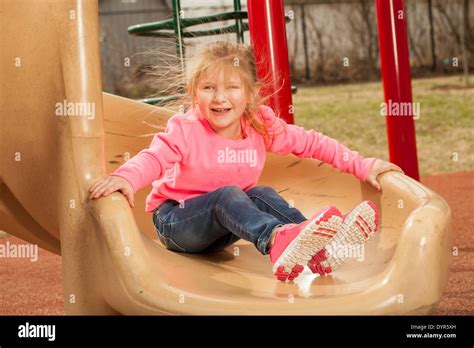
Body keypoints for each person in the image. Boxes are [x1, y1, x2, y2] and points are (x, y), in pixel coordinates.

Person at [89, 42, 403, 282]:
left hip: (222, 231)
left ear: (250, 94)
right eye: (208, 88)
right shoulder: (186, 130)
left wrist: (363, 165)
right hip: (177, 225)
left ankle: (317, 248)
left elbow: (312, 142)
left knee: (261, 194)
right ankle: (277, 239)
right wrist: (126, 178)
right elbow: (153, 158)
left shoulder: (259, 125)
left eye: (231, 88)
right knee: (228, 195)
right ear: (193, 93)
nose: (219, 98)